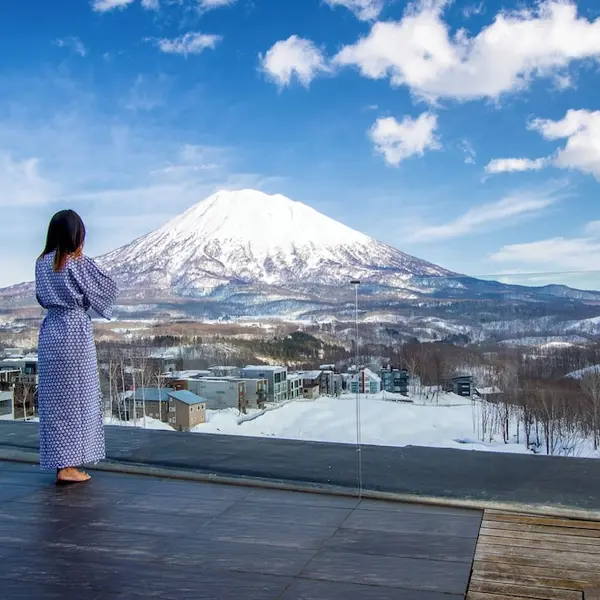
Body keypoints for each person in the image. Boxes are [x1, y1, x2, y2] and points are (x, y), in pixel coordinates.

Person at [36, 210, 118, 483]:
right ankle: (70, 466)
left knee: (55, 401)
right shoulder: (75, 263)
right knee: (79, 399)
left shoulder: (41, 263)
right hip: (73, 333)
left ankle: (61, 462)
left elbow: (40, 297)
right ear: (76, 235)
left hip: (50, 334)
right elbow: (108, 289)